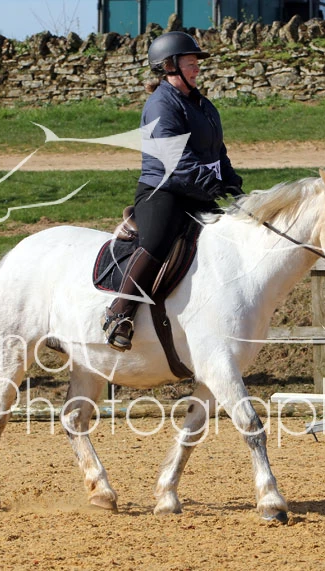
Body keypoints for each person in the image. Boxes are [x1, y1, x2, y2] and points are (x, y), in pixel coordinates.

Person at [102, 31, 244, 352]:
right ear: (170, 66)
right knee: (157, 240)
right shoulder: (160, 105)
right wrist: (208, 182)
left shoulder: (203, 105)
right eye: (191, 63)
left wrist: (230, 179)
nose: (197, 68)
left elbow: (216, 149)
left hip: (197, 191)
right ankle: (119, 312)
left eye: (196, 63)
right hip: (162, 191)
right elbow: (175, 159)